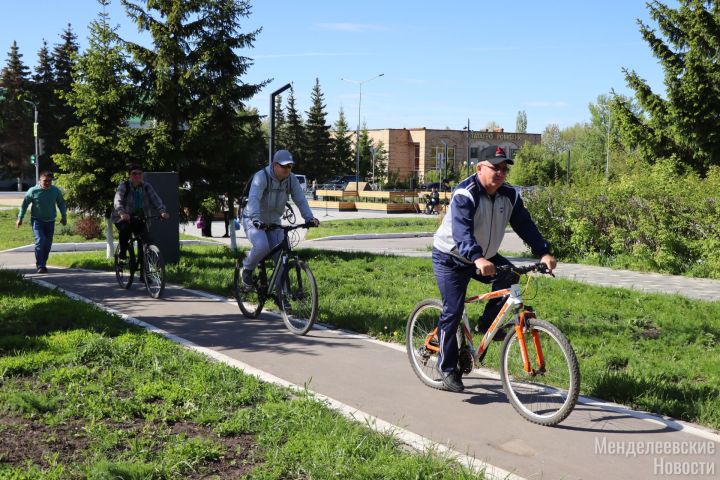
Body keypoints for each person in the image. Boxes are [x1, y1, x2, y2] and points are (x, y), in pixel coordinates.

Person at [431, 145, 556, 393]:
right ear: (479, 168)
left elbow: (525, 225)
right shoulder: (465, 194)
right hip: (451, 257)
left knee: (510, 277)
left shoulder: (509, 195)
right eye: (494, 167)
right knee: (453, 311)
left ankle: (487, 323)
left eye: (503, 169)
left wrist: (543, 251)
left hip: (483, 257)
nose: (499, 173)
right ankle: (446, 369)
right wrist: (477, 258)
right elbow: (462, 232)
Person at [240, 150, 320, 297]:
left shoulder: (291, 179)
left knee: (281, 257)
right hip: (252, 218)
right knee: (262, 246)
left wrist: (309, 218)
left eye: (290, 166)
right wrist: (256, 219)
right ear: (275, 165)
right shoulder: (261, 177)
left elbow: (300, 199)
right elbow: (254, 199)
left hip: (274, 221)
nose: (287, 169)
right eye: (284, 166)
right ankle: (246, 269)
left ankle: (282, 296)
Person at [112, 164, 169, 260]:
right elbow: (117, 201)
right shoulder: (124, 185)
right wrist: (122, 213)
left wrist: (162, 211)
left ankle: (145, 269)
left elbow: (156, 200)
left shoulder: (146, 187)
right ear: (129, 175)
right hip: (124, 218)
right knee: (125, 231)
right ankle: (122, 251)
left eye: (140, 173)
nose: (137, 176)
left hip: (140, 218)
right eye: (134, 174)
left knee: (146, 241)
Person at [16, 171, 67, 273]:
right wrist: (20, 218)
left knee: (47, 244)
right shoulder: (33, 191)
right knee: (40, 241)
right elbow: (24, 204)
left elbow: (61, 203)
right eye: (45, 181)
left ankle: (42, 262)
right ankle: (41, 265)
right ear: (40, 180)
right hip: (37, 221)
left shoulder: (55, 191)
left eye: (49, 181)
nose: (47, 183)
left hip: (50, 221)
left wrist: (64, 216)